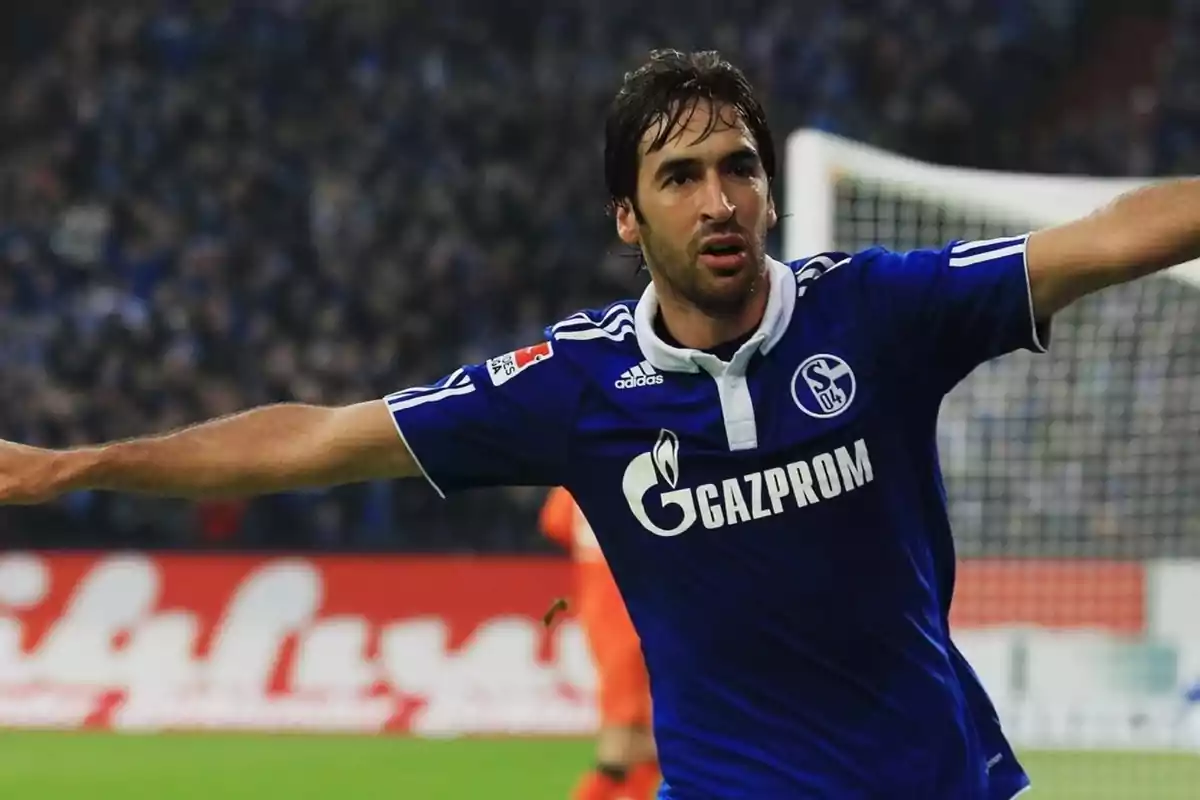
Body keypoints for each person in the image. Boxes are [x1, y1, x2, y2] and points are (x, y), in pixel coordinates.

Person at [0, 48, 1196, 798]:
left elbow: (1100, 242)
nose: (719, 199)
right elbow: (316, 436)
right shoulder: (572, 384)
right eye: (680, 176)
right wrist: (71, 468)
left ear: (772, 186)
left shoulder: (881, 310)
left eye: (739, 166)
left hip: (944, 778)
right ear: (628, 215)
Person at [541, 487, 659, 800]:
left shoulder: (575, 475)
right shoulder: (640, 477)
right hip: (634, 621)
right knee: (622, 745)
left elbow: (554, 523)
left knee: (649, 741)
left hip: (601, 614)